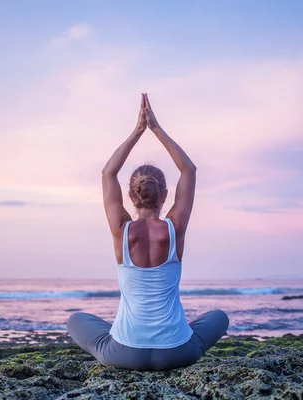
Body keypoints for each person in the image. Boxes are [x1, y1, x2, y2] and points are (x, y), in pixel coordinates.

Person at [67, 93, 229, 370]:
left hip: (123, 354)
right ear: (165, 195)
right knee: (219, 317)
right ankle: (171, 337)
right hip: (177, 353)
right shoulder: (174, 228)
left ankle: (130, 339)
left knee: (75, 320)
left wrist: (137, 130)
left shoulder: (122, 230)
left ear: (130, 196)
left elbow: (108, 173)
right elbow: (188, 169)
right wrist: (155, 128)